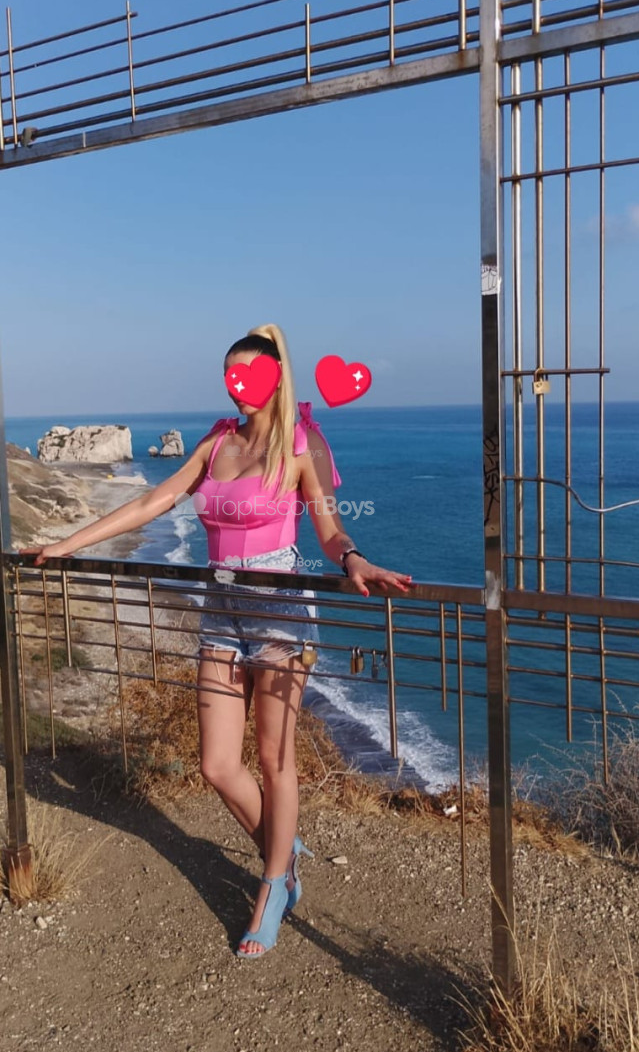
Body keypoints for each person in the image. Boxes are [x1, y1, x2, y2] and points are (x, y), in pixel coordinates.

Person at [21, 324, 413, 958]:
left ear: (276, 378)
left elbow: (329, 529)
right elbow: (155, 500)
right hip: (220, 610)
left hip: (279, 611)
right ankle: (283, 855)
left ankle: (272, 888)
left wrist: (355, 561)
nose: (236, 386)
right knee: (217, 764)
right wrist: (68, 545)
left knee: (275, 760)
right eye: (230, 373)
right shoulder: (217, 440)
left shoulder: (301, 442)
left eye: (249, 374)